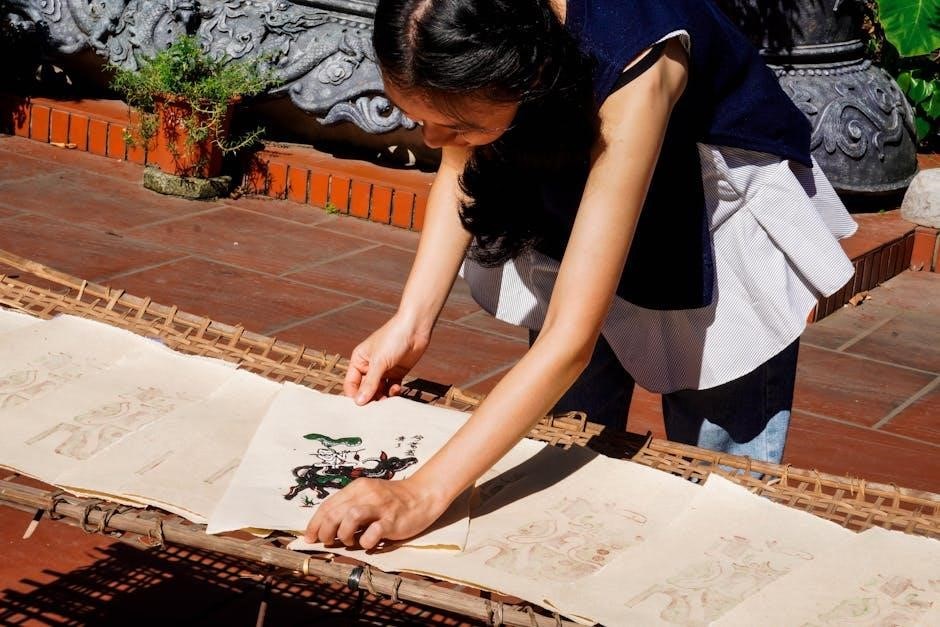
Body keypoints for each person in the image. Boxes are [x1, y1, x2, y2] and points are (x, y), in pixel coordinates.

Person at [305, 0, 857, 549]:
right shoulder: (478, 28)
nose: (430, 139)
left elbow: (570, 340)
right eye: (420, 119)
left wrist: (421, 494)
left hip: (709, 217)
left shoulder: (638, 59)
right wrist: (411, 321)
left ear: (525, 75)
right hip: (577, 198)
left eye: (455, 124)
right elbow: (460, 156)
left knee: (721, 501)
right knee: (562, 458)